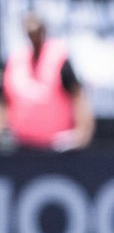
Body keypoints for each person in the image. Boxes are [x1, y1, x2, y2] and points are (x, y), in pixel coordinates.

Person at [0, 13, 94, 151]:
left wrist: (83, 133)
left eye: (37, 32)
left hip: (57, 146)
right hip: (20, 146)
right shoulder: (16, 61)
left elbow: (78, 96)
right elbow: (4, 100)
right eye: (30, 33)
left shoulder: (59, 59)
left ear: (44, 31)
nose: (34, 37)